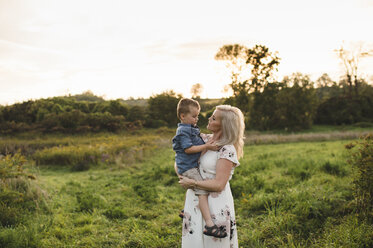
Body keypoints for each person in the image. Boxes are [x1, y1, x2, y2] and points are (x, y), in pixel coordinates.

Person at [178, 104, 245, 248]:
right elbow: (181, 156)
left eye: (214, 118)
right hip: (194, 201)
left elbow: (219, 184)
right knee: (193, 242)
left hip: (215, 204)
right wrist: (181, 171)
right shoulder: (202, 139)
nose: (209, 118)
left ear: (224, 125)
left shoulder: (227, 149)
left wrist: (193, 183)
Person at [172, 98, 226, 238]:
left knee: (194, 186)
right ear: (183, 116)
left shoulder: (191, 128)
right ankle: (209, 225)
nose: (197, 119)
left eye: (197, 115)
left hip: (188, 165)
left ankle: (185, 210)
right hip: (188, 166)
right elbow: (189, 149)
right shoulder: (183, 131)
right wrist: (207, 146)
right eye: (194, 116)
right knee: (202, 191)